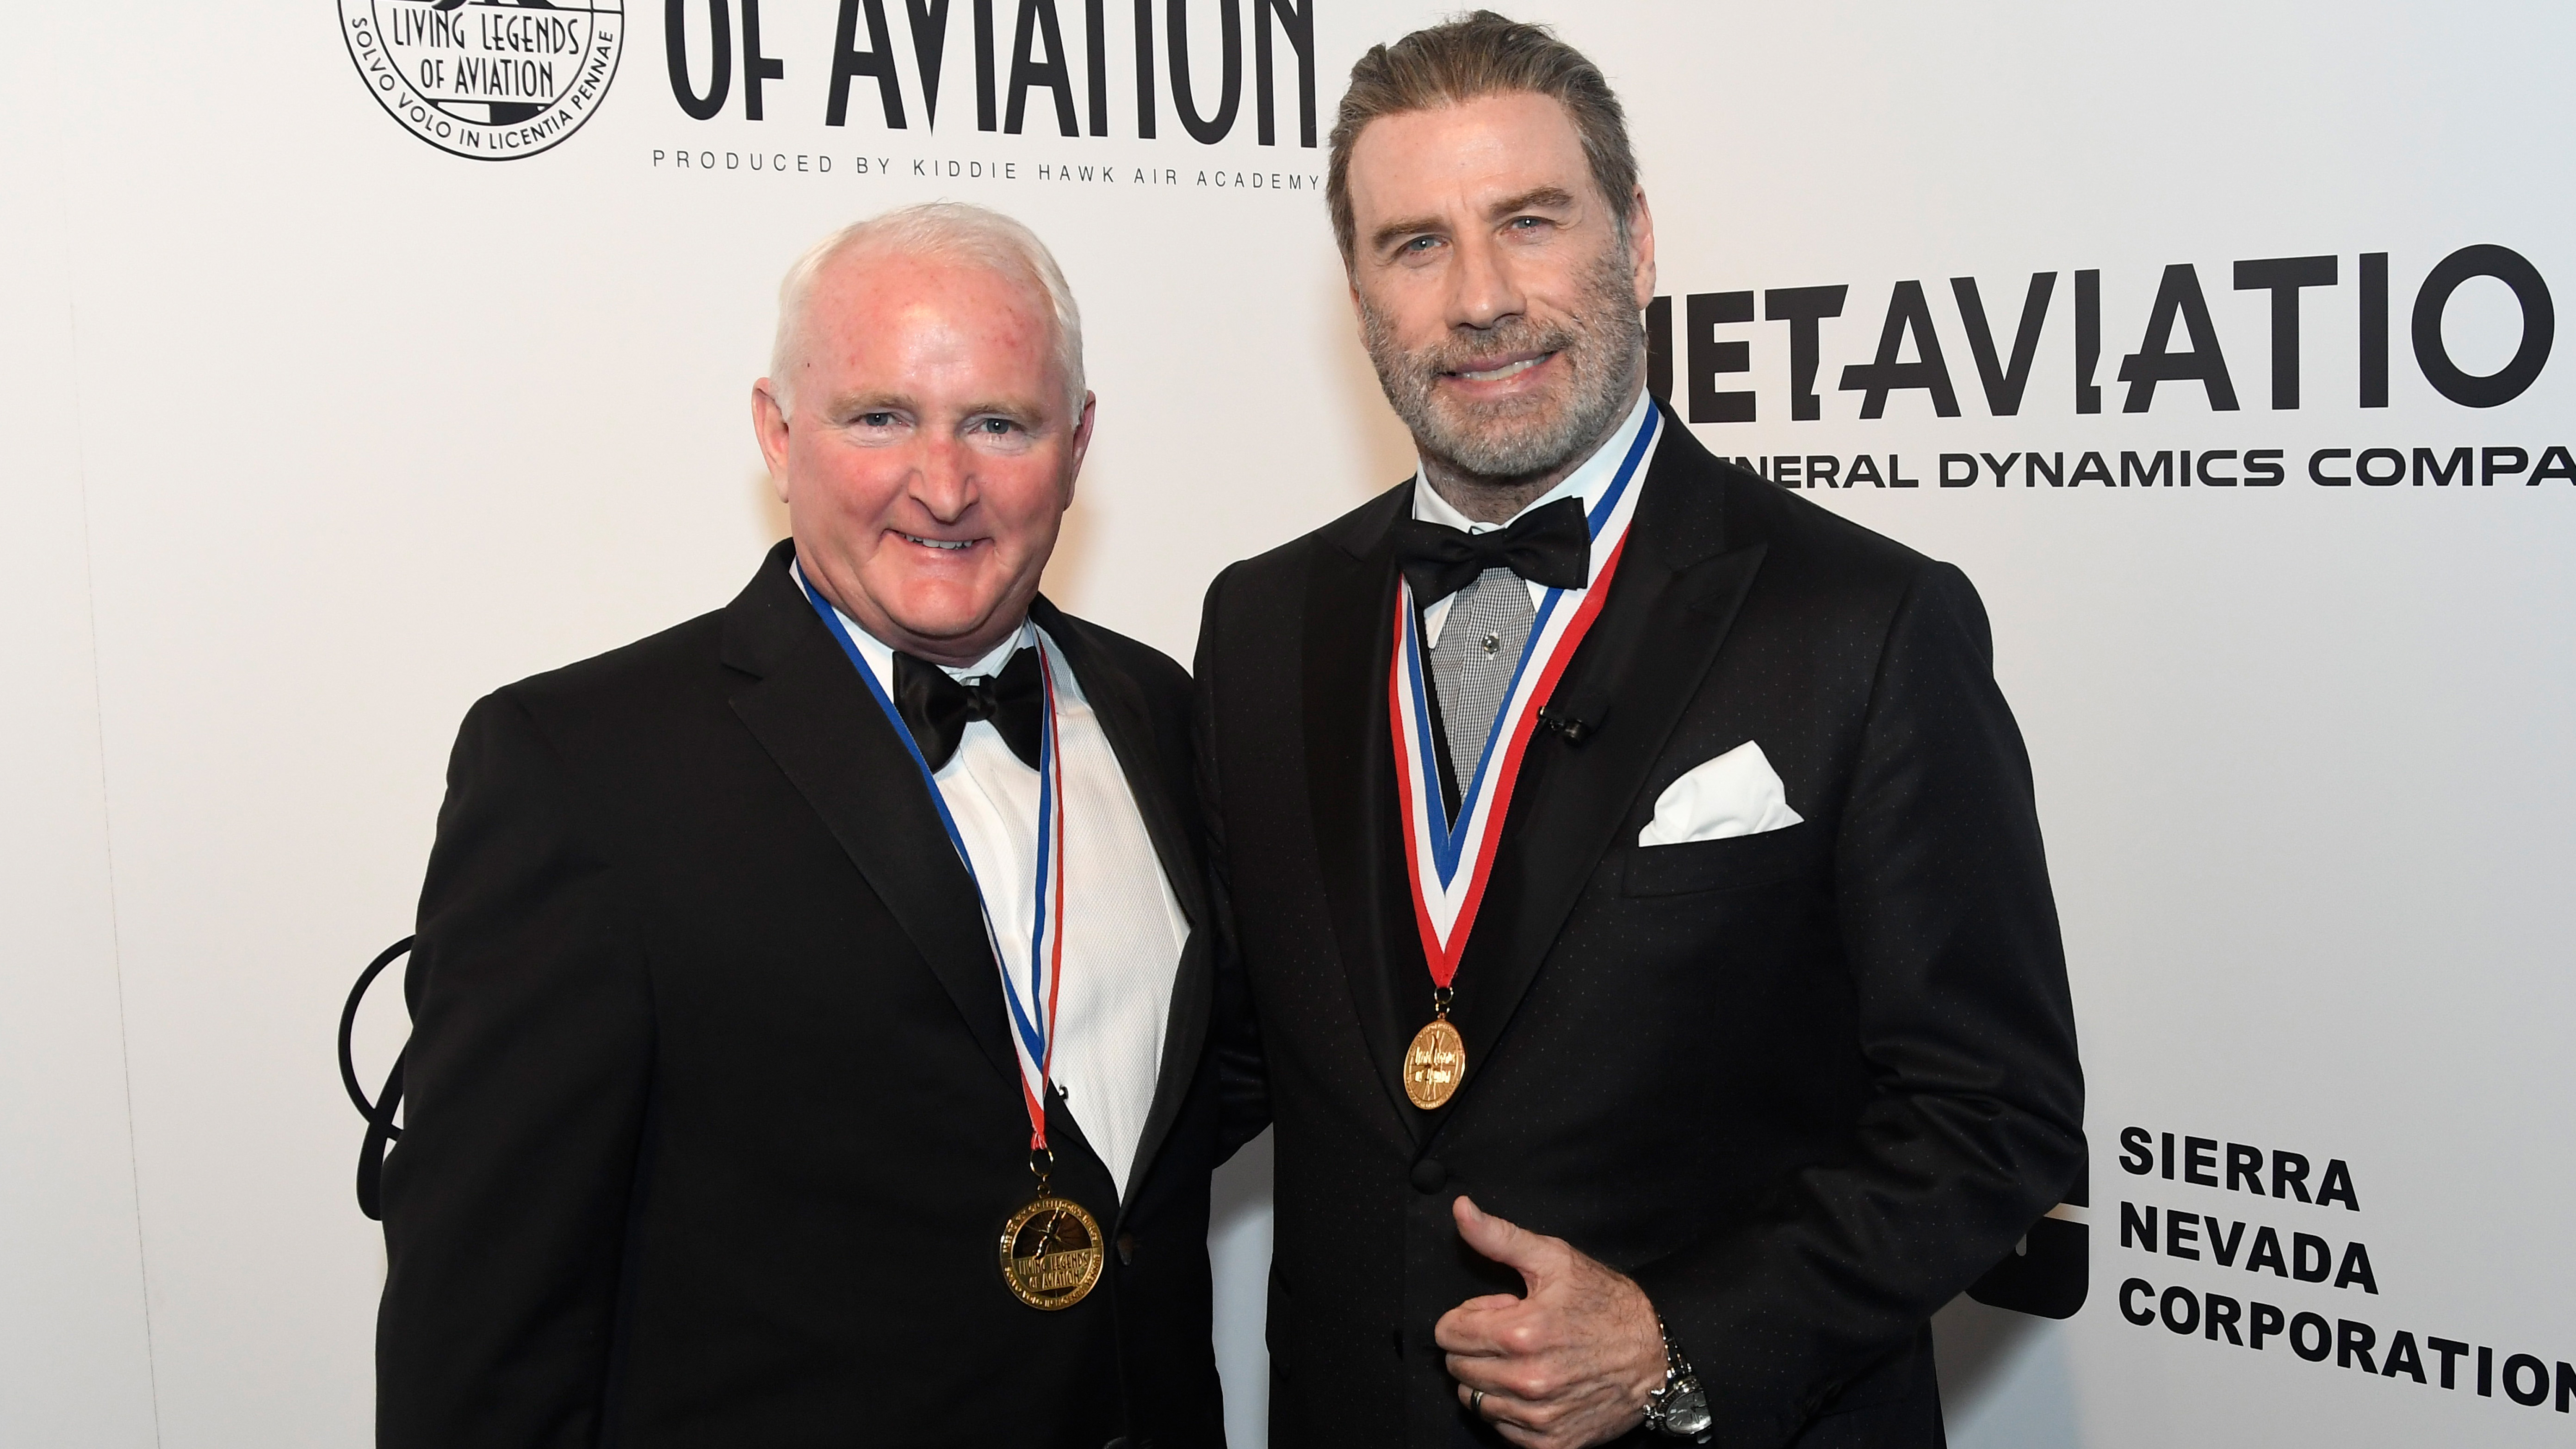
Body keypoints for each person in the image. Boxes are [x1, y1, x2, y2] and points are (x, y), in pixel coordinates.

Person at [1194, 14, 2084, 1448]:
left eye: (1529, 223)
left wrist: (1677, 1340)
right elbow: (1227, 1048)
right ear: (1356, 289)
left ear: (1639, 238)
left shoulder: (1865, 621)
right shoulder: (1262, 623)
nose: (1480, 299)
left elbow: (1996, 1118)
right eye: (1414, 244)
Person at [378, 203, 1226, 1449]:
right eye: (880, 417)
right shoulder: (579, 771)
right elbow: (483, 1342)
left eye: (1001, 422)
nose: (944, 485)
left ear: (1080, 441)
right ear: (777, 432)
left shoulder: (1164, 710)